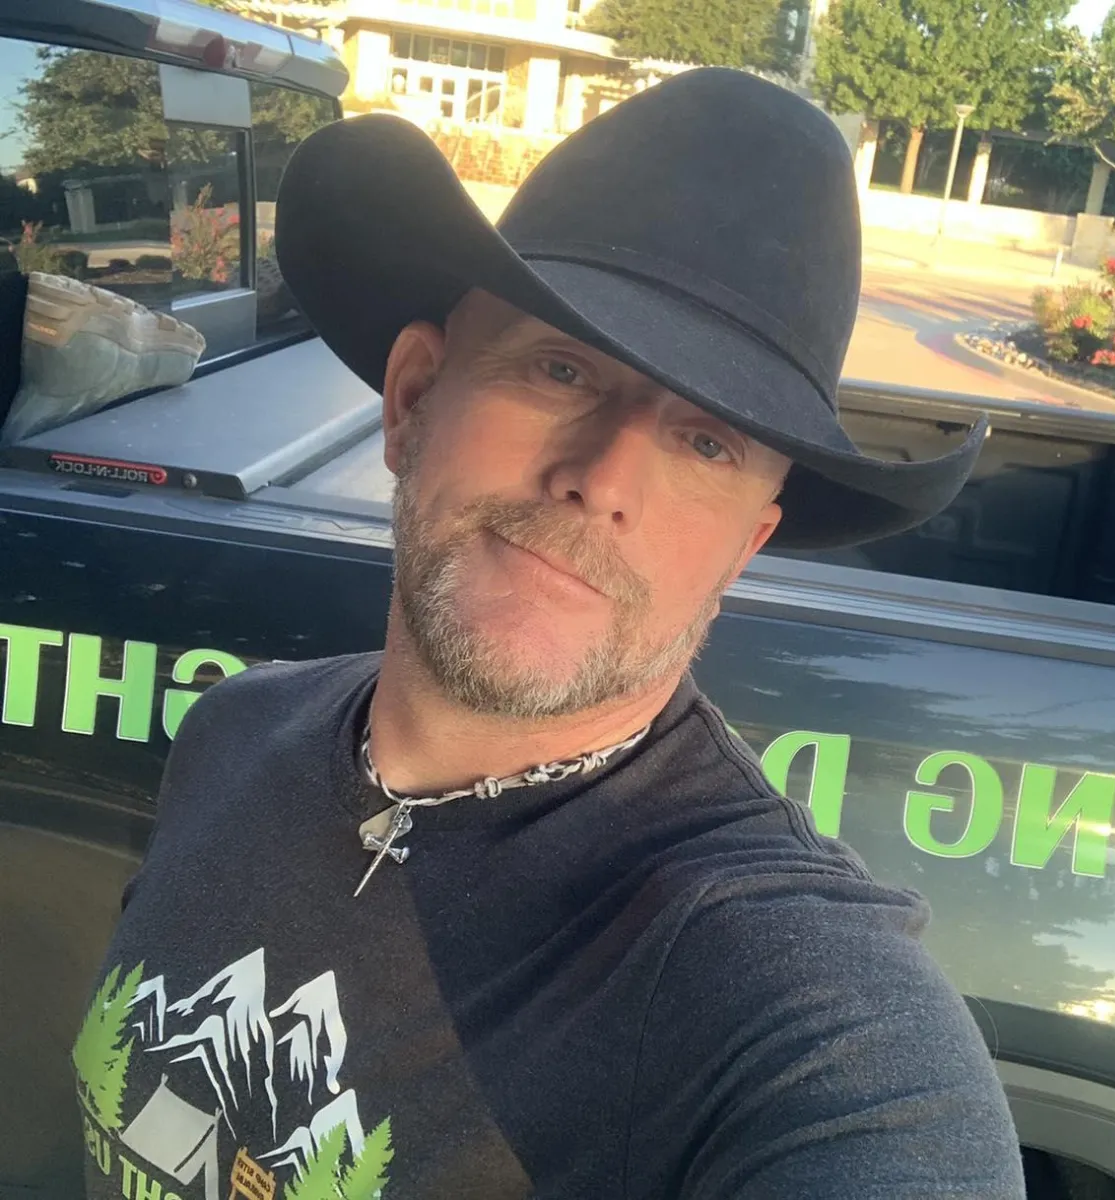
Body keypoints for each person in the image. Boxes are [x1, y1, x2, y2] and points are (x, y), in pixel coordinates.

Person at [73, 68, 1023, 1198]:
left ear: (743, 548)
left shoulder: (785, 1000)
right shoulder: (235, 735)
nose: (603, 479)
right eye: (562, 368)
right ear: (414, 397)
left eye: (706, 444)